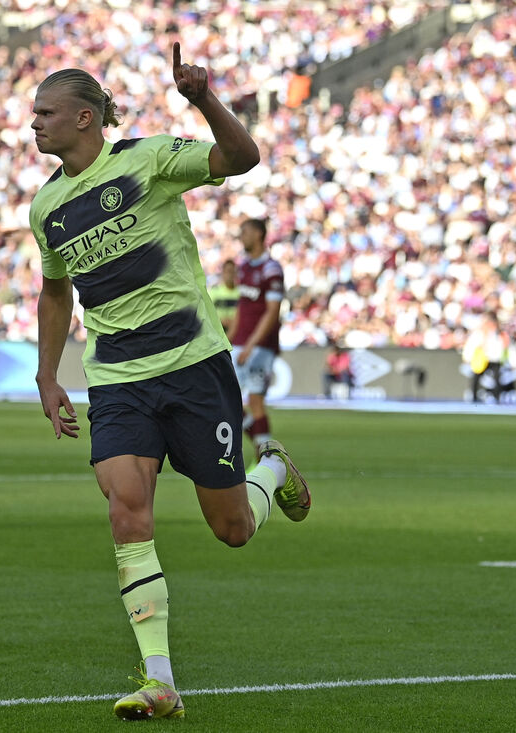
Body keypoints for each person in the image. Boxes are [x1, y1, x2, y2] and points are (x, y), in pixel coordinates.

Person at [29, 45, 312, 722]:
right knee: (126, 507)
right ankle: (160, 679)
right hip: (118, 379)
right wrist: (48, 374)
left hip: (192, 366)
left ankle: (271, 471)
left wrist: (204, 101)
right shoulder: (48, 208)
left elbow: (242, 159)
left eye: (46, 113)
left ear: (86, 117)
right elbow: (54, 292)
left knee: (232, 529)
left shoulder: (147, 159)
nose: (33, 123)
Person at [228, 218, 285, 457]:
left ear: (259, 235)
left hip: (260, 347)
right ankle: (264, 453)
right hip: (241, 343)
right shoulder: (244, 267)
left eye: (246, 232)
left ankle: (267, 459)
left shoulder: (271, 269)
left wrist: (251, 345)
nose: (242, 236)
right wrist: (231, 338)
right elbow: (242, 307)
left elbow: (273, 312)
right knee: (227, 399)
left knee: (255, 401)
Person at [461, 312, 510, 403]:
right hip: (482, 359)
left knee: (496, 379)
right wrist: (467, 357)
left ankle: (497, 397)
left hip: (494, 358)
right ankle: (474, 398)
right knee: (476, 378)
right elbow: (472, 345)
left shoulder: (498, 333)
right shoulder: (479, 333)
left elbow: (502, 346)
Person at [208, 259, 240, 333]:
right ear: (223, 273)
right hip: (218, 332)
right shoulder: (214, 291)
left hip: (235, 332)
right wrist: (221, 321)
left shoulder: (240, 293)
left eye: (232, 272)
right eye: (228, 271)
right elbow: (207, 312)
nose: (230, 274)